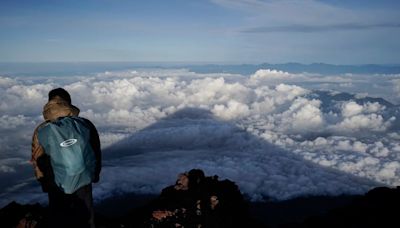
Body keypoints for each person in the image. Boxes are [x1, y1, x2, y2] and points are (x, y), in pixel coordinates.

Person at [31, 88, 101, 228]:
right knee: (86, 217)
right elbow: (95, 150)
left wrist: (44, 182)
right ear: (68, 102)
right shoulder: (84, 124)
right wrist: (95, 174)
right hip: (84, 178)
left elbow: (37, 158)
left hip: (57, 184)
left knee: (60, 218)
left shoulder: (42, 129)